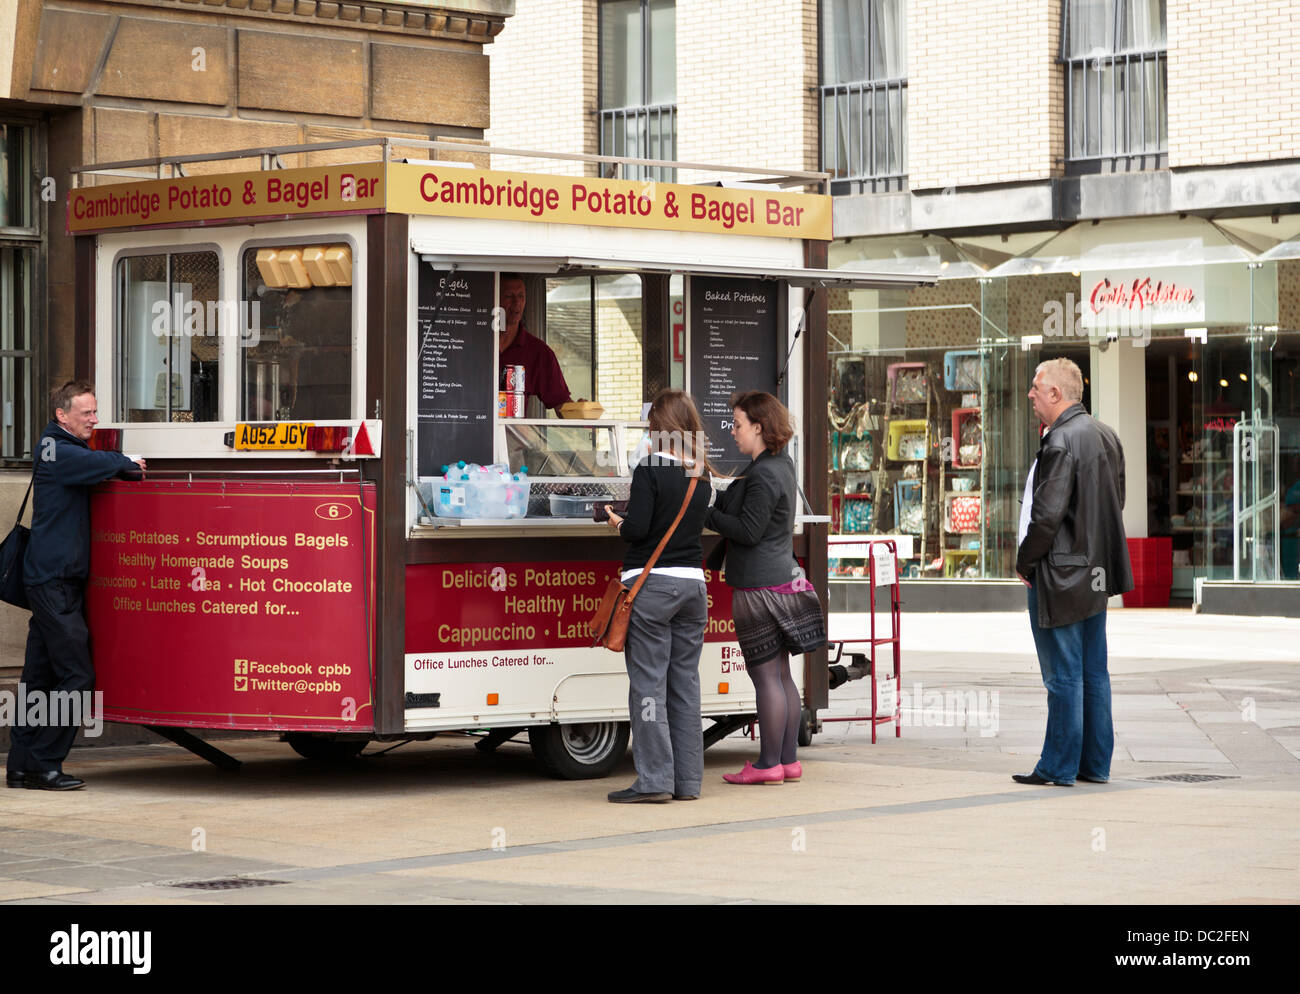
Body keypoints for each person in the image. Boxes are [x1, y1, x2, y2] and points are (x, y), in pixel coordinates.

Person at [7, 382, 145, 791]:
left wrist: (119, 463)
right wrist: (125, 460)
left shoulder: (71, 450)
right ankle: (46, 763)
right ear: (61, 414)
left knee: (38, 676)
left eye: (95, 412)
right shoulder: (53, 449)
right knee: (78, 676)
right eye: (86, 413)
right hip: (52, 581)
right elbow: (96, 464)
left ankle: (21, 765)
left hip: (54, 579)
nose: (94, 419)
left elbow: (99, 464)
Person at [1014, 358, 1133, 787]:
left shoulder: (1061, 440)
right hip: (1095, 571)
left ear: (1056, 395)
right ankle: (1094, 764)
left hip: (1061, 574)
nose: (1031, 394)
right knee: (1093, 670)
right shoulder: (1106, 434)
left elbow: (1046, 518)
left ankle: (1058, 766)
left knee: (1063, 672)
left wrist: (1025, 562)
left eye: (1036, 387)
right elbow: (1115, 501)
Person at [706, 391, 825, 786]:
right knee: (782, 675)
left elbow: (748, 530)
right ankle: (787, 761)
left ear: (758, 427)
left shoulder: (762, 474)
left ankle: (767, 763)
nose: (733, 431)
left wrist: (706, 516)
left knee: (765, 679)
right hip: (783, 580)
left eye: (738, 424)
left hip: (758, 587)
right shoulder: (781, 465)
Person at [603, 390, 712, 802]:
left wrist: (616, 522)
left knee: (648, 686)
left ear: (658, 425)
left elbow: (638, 528)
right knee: (684, 685)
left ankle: (654, 781)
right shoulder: (699, 472)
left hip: (653, 587)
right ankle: (687, 782)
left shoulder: (649, 468)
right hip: (693, 588)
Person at [498, 274, 572, 412]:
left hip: (513, 434)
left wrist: (580, 411)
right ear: (494, 298)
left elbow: (560, 402)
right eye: (509, 296)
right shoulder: (473, 344)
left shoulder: (539, 352)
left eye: (521, 296)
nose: (516, 303)